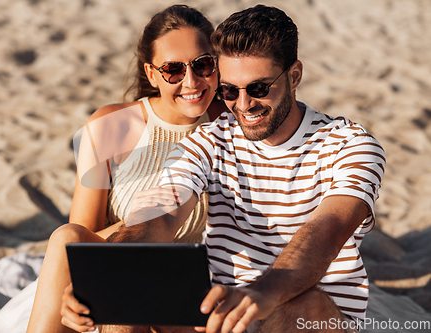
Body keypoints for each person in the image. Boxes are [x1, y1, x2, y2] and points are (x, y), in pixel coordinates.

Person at [61, 4, 386, 333]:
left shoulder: (351, 146)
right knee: (128, 283)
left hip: (305, 317)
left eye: (259, 88)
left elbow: (325, 232)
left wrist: (261, 292)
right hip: (220, 319)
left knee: (300, 303)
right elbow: (161, 212)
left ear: (294, 75)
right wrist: (104, 271)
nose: (243, 105)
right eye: (230, 90)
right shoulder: (211, 138)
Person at [26, 5, 224, 333]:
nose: (191, 81)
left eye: (203, 65)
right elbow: (82, 236)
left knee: (131, 281)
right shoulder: (112, 125)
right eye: (173, 70)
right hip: (127, 273)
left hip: (198, 297)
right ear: (151, 73)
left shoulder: (232, 124)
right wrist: (141, 237)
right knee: (66, 237)